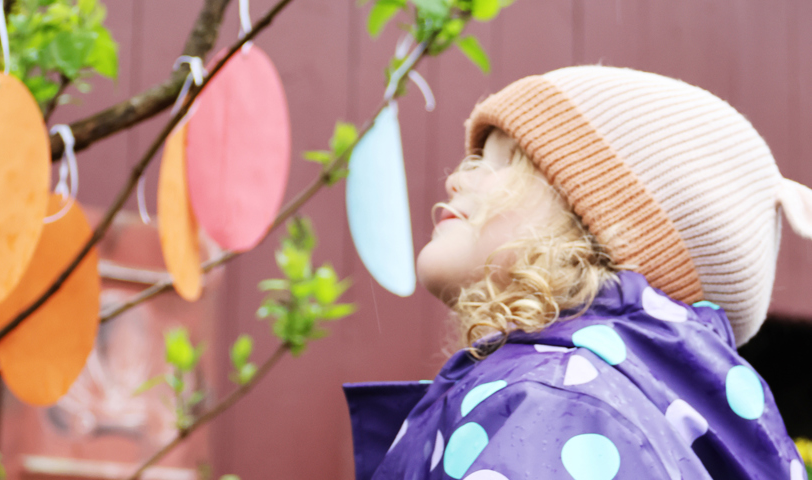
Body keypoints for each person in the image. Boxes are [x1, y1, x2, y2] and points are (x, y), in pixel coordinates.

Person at [344, 66, 812, 480]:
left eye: (503, 162)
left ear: (598, 225)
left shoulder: (555, 404)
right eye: (474, 159)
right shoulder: (605, 402)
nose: (455, 178)